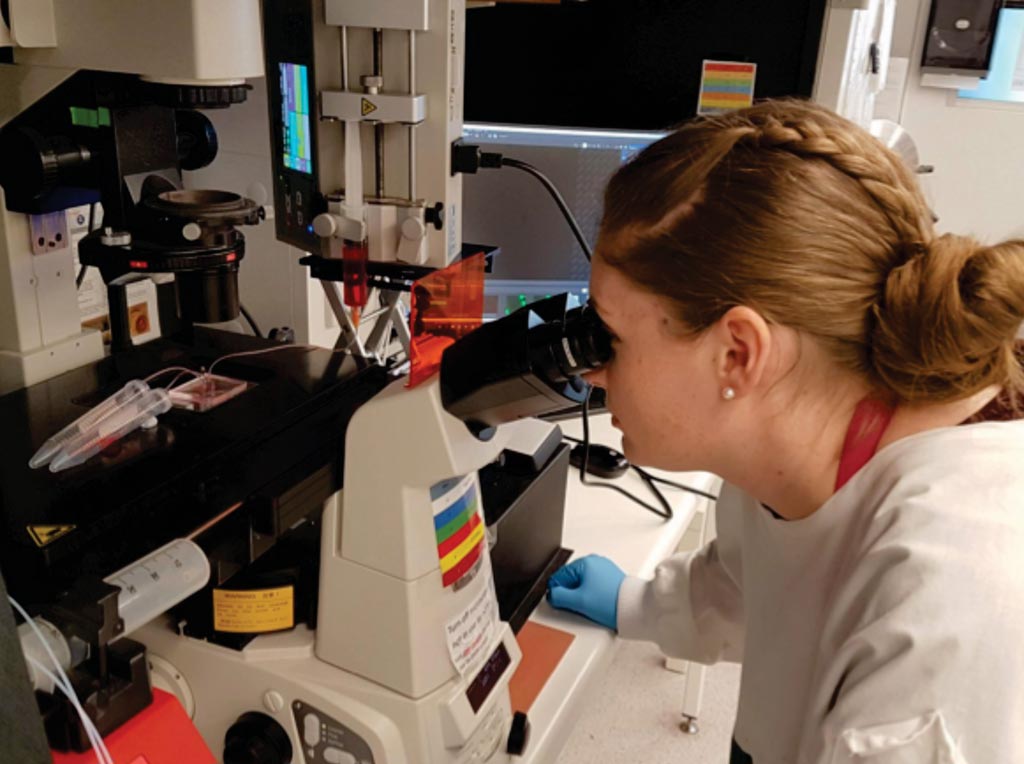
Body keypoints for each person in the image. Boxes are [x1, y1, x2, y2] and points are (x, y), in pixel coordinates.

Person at [545, 98, 1024, 763]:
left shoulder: (946, 614)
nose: (594, 371)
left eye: (614, 336)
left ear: (737, 353)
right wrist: (634, 603)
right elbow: (754, 588)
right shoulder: (799, 437)